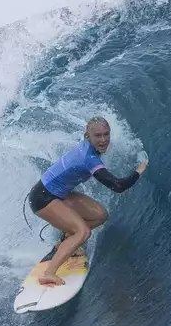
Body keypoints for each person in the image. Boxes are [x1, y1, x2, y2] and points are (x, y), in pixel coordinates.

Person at [27, 116, 149, 285]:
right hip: (43, 197)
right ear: (88, 136)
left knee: (100, 215)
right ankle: (49, 273)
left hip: (58, 193)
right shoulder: (88, 158)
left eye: (106, 134)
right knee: (83, 232)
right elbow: (118, 186)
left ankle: (66, 241)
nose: (104, 140)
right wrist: (139, 171)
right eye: (98, 136)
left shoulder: (89, 149)